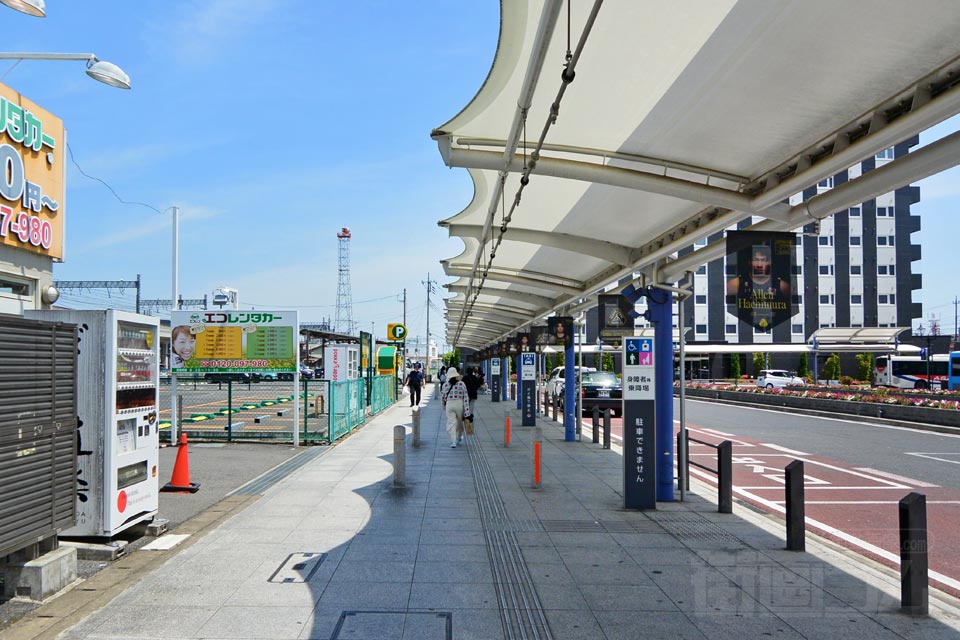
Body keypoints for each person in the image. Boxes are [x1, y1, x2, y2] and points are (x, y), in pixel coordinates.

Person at [726, 245, 791, 331]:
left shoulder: (783, 286)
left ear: (769, 262)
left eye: (763, 260)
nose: (760, 265)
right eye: (756, 260)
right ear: (750, 262)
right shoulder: (735, 284)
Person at [440, 367, 470, 448]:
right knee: (460, 422)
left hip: (449, 404)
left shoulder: (445, 385)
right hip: (459, 404)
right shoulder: (461, 384)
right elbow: (466, 397)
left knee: (451, 422)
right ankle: (459, 437)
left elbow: (443, 397)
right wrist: (467, 411)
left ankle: (453, 441)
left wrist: (443, 406)